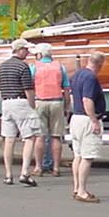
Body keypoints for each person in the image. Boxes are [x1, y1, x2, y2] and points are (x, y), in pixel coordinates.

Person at [0, 38, 41, 186]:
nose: (27, 53)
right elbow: (28, 89)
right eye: (26, 50)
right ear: (20, 50)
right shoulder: (23, 67)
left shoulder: (1, 67)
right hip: (20, 102)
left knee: (9, 139)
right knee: (29, 137)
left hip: (6, 102)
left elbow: (0, 89)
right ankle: (24, 172)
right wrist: (33, 106)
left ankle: (8, 175)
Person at [69, 51, 106, 203]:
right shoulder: (91, 77)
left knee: (77, 155)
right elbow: (87, 100)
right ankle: (82, 191)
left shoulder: (77, 75)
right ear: (99, 64)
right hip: (86, 119)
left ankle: (77, 187)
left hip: (76, 117)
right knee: (87, 156)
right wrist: (94, 120)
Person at [30, 43, 70, 177]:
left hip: (40, 101)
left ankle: (38, 167)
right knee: (56, 136)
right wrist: (67, 106)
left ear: (40, 54)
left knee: (40, 136)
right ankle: (56, 168)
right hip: (57, 101)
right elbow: (66, 88)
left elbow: (29, 86)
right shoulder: (60, 67)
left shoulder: (34, 67)